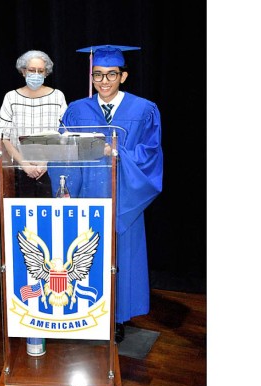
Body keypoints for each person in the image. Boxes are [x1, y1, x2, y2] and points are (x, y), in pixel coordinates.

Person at [54, 44, 163, 330]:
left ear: (123, 76)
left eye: (111, 75)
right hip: (87, 196)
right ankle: (90, 315)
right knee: (87, 254)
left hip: (125, 198)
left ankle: (118, 319)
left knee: (123, 257)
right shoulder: (76, 110)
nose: (104, 82)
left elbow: (150, 154)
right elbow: (64, 153)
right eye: (98, 75)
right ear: (92, 77)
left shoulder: (144, 109)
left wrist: (114, 152)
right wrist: (65, 190)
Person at [0, 50, 67, 197]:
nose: (36, 74)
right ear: (23, 71)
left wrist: (46, 163)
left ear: (46, 73)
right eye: (31, 70)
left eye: (40, 71)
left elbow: (65, 134)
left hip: (50, 169)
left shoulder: (57, 96)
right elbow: (3, 136)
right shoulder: (11, 97)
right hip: (19, 171)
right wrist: (24, 164)